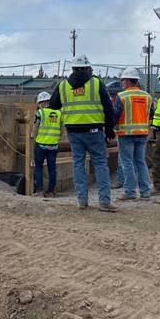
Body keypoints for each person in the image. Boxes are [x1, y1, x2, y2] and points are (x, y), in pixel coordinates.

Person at [49, 54, 117, 212]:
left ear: (73, 68)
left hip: (73, 131)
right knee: (100, 163)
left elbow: (53, 105)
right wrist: (109, 129)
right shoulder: (96, 83)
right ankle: (105, 202)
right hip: (94, 130)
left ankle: (82, 201)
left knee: (78, 164)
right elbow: (108, 108)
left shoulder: (63, 85)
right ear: (88, 68)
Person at [112, 67, 153, 201]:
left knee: (127, 163)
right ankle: (145, 192)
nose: (122, 83)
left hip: (126, 134)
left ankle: (130, 192)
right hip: (142, 133)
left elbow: (116, 115)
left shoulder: (122, 96)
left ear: (128, 81)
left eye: (123, 80)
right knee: (140, 162)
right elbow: (151, 114)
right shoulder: (147, 96)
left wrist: (108, 129)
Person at [31, 91, 61, 197]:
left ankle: (39, 190)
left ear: (40, 103)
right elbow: (61, 130)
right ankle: (51, 191)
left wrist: (33, 137)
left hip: (41, 144)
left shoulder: (40, 112)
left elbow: (35, 127)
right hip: (53, 145)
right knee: (52, 168)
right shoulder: (58, 113)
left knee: (38, 166)